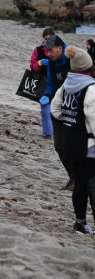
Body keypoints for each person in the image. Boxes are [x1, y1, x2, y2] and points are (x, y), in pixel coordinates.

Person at [50, 46, 95, 235]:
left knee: (79, 183)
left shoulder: (66, 85)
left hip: (71, 143)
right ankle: (83, 224)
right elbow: (93, 120)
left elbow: (55, 110)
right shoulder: (91, 88)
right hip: (89, 146)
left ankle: (80, 223)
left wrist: (71, 122)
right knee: (92, 185)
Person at [39, 34, 74, 188]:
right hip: (58, 107)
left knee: (77, 146)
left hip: (75, 108)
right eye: (46, 51)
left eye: (50, 50)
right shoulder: (52, 63)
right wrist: (46, 95)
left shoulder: (74, 58)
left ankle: (81, 179)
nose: (48, 54)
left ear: (60, 48)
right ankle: (73, 178)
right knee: (59, 146)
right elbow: (51, 83)